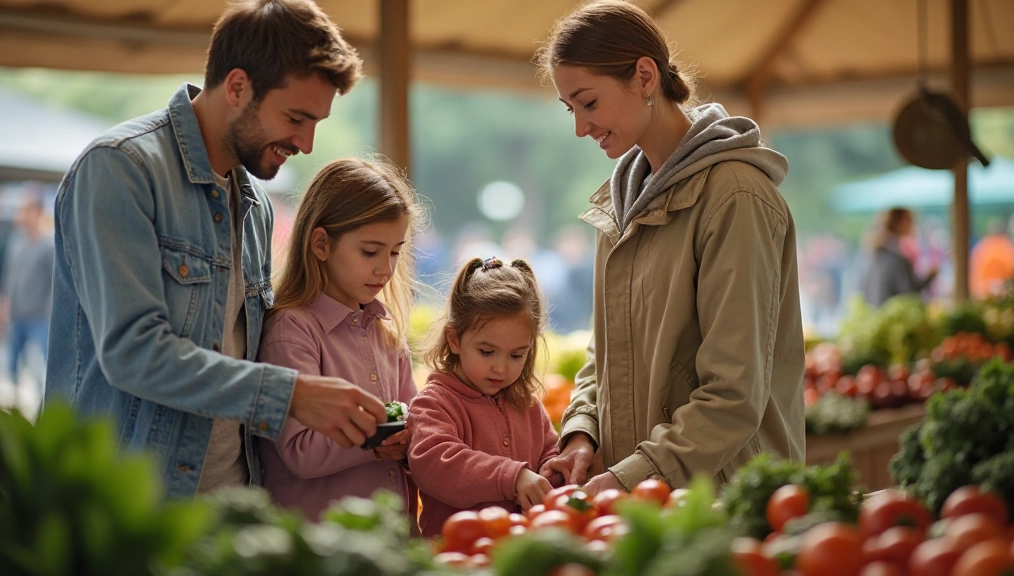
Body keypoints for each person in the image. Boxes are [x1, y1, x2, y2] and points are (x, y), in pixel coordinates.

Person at [44, 0, 387, 498]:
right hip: (123, 510)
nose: (307, 143)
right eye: (296, 117)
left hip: (229, 506)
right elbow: (134, 352)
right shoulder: (120, 169)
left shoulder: (256, 205)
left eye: (316, 122)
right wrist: (290, 394)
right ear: (237, 86)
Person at [534, 0, 805, 494]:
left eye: (588, 103)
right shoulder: (619, 204)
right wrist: (581, 432)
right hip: (648, 495)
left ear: (644, 76)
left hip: (725, 501)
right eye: (570, 109)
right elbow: (606, 351)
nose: (580, 128)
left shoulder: (736, 198)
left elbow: (733, 396)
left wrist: (628, 478)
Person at [256, 158, 423, 521]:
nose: (386, 268)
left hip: (388, 535)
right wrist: (376, 438)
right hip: (320, 540)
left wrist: (413, 437)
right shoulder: (291, 331)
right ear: (321, 244)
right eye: (370, 251)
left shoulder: (387, 332)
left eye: (395, 252)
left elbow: (415, 420)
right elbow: (300, 451)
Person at [407, 257, 561, 537]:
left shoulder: (527, 405)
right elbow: (436, 463)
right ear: (454, 339)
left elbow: (550, 451)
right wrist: (512, 477)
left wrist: (554, 469)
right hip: (455, 553)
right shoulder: (434, 403)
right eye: (487, 352)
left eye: (516, 355)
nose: (500, 368)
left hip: (518, 550)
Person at [0, 195, 55, 402]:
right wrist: (5, 302)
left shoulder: (48, 246)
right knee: (12, 363)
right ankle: (14, 404)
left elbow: (54, 282)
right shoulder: (16, 242)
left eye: (25, 210)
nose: (20, 215)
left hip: (39, 317)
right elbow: (10, 275)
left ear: (36, 213)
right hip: (17, 315)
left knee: (45, 364)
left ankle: (44, 403)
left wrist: (49, 311)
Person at [861, 207, 937, 307]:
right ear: (902, 222)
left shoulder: (880, 251)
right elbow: (910, 293)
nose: (913, 225)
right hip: (889, 312)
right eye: (910, 221)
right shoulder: (895, 255)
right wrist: (930, 276)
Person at [969, 219, 1014, 299]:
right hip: (1001, 292)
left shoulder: (982, 246)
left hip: (984, 291)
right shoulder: (1008, 247)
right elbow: (1013, 272)